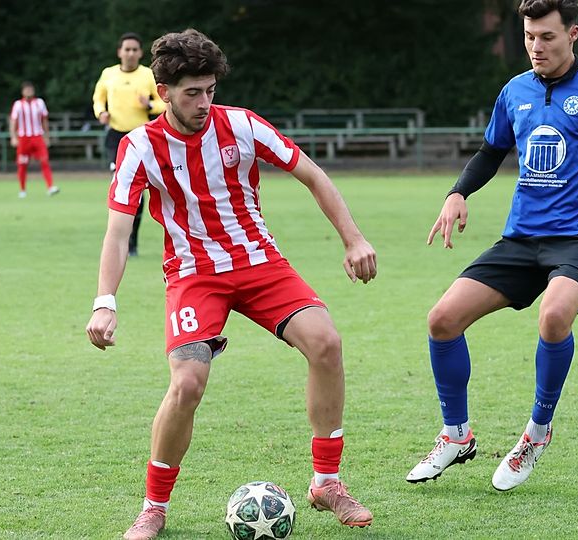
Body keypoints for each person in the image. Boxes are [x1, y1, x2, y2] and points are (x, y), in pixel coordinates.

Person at [85, 29, 377, 540]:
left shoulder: (241, 124)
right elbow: (117, 230)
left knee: (326, 343)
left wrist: (353, 239)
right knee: (187, 384)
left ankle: (327, 482)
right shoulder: (139, 147)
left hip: (260, 263)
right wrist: (104, 302)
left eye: (210, 90)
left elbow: (312, 174)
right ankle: (154, 507)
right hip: (194, 274)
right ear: (163, 91)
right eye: (192, 92)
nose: (204, 102)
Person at [406, 0, 578, 492]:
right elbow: (490, 152)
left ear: (573, 34)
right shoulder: (515, 91)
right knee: (442, 319)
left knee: (553, 315)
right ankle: (456, 435)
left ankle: (537, 432)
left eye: (547, 36)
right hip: (522, 238)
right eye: (529, 36)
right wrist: (457, 193)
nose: (536, 46)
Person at [93, 32, 166, 256]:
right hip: (116, 137)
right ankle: (118, 239)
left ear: (140, 53)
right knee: (122, 185)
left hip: (141, 138)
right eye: (127, 49)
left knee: (139, 191)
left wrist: (149, 105)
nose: (131, 53)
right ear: (119, 52)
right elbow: (98, 98)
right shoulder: (108, 74)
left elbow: (164, 103)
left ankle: (132, 241)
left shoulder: (147, 75)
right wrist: (101, 112)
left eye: (135, 49)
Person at [9, 81, 59, 198]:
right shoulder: (18, 104)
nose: (29, 91)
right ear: (22, 92)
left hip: (37, 136)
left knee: (44, 161)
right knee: (22, 164)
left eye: (30, 89)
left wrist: (46, 136)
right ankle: (22, 189)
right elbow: (13, 121)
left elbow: (44, 120)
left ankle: (50, 186)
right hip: (23, 138)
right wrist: (13, 137)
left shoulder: (39, 103)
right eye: (26, 89)